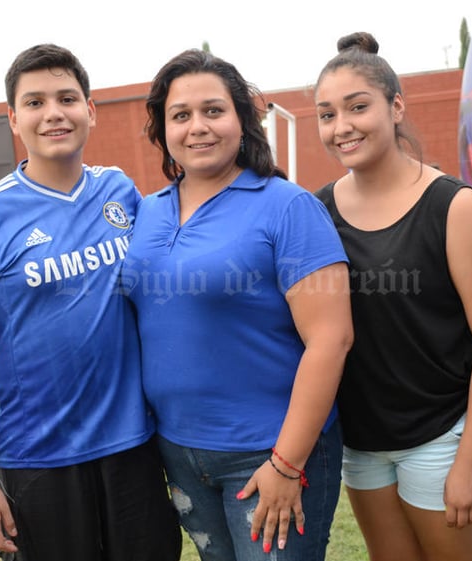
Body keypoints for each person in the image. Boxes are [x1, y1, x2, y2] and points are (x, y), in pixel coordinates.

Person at [0, 43, 181, 560]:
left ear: (90, 110)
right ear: (13, 118)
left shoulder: (120, 191)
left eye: (67, 98)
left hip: (134, 446)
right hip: (38, 457)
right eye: (35, 102)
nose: (53, 113)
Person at [121, 49, 354, 560]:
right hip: (178, 454)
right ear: (163, 130)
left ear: (242, 120)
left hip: (269, 451)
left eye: (213, 111)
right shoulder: (148, 212)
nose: (198, 127)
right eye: (180, 115)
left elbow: (331, 338)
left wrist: (288, 463)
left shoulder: (287, 207)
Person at [312, 32, 472, 561]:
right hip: (363, 444)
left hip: (442, 439)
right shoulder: (318, 212)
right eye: (327, 115)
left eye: (358, 107)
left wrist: (469, 461)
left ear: (396, 106)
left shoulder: (453, 207)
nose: (342, 127)